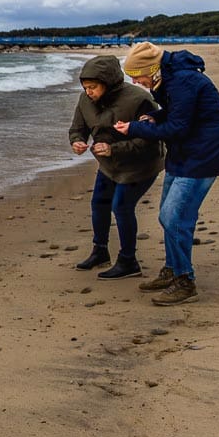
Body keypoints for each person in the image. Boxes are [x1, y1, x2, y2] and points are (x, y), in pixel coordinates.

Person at [113, 42, 219, 305]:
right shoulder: (171, 77)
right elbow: (179, 112)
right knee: (173, 217)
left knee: (173, 218)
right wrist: (156, 116)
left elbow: (178, 128)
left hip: (203, 156)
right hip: (185, 154)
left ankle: (185, 281)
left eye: (138, 76)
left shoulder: (183, 80)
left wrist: (135, 128)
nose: (138, 83)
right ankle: (172, 270)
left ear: (152, 68)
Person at [68, 55, 164, 279]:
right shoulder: (85, 100)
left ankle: (128, 261)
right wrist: (76, 141)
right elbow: (77, 128)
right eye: (85, 87)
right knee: (99, 203)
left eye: (93, 87)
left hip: (141, 164)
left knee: (121, 206)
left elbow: (151, 139)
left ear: (108, 82)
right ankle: (100, 251)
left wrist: (114, 150)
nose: (88, 92)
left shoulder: (140, 98)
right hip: (109, 165)